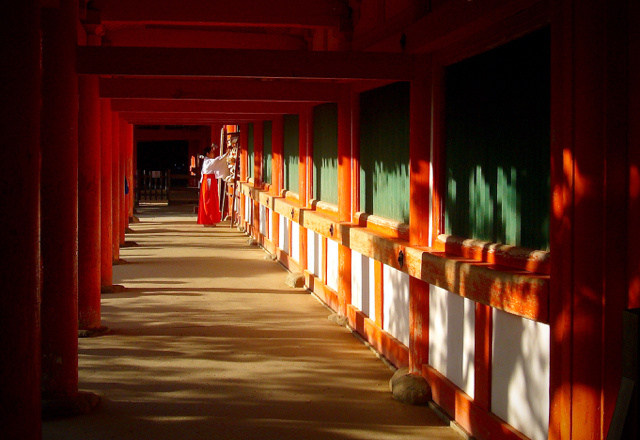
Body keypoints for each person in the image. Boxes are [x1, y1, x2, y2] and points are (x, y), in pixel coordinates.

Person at [197, 145, 229, 227]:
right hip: (209, 181)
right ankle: (208, 221)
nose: (213, 154)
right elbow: (218, 160)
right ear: (207, 154)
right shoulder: (208, 162)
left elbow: (216, 160)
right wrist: (227, 154)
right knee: (209, 200)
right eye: (211, 152)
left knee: (209, 200)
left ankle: (208, 220)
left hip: (208, 180)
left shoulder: (206, 161)